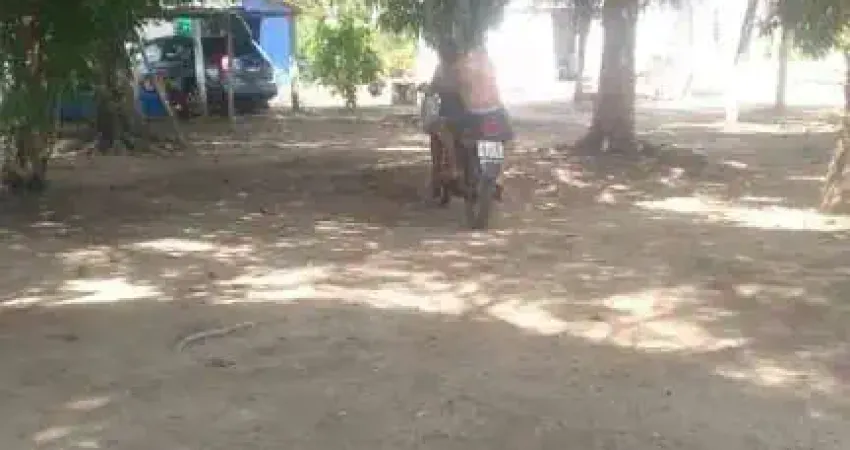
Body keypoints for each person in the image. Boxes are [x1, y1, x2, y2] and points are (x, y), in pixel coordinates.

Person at [426, 40, 465, 197]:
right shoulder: (460, 68)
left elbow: (434, 87)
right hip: (462, 113)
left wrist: (432, 89)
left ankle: (446, 174)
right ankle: (444, 176)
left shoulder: (448, 69)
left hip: (451, 113)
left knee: (438, 139)